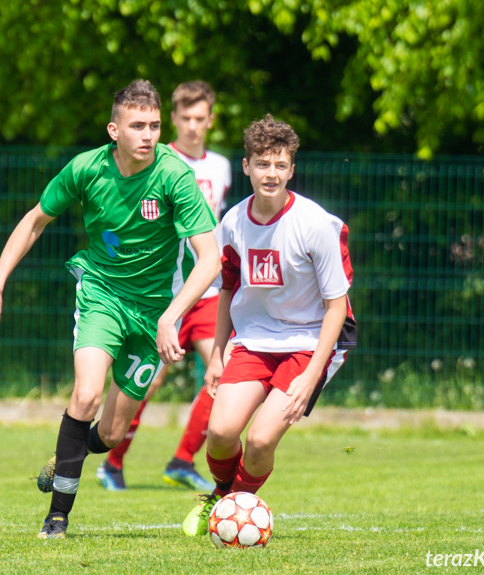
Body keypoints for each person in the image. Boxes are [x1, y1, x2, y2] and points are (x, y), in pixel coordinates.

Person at [0, 79, 220, 539]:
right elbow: (35, 221)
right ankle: (56, 517)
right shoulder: (86, 169)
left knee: (109, 434)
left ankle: (67, 453)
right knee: (85, 394)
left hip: (153, 314)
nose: (148, 135)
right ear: (114, 130)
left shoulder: (174, 176)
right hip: (101, 295)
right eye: (137, 126)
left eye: (154, 126)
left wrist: (171, 315)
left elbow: (209, 258)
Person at [181, 114, 357, 536]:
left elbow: (337, 308)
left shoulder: (317, 225)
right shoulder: (233, 223)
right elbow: (226, 290)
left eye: (280, 165)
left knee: (260, 440)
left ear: (291, 170)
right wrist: (218, 353)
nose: (271, 173)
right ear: (246, 167)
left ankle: (229, 511)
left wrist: (312, 375)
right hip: (255, 339)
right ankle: (227, 502)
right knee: (220, 432)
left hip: (311, 341)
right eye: (262, 164)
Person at [95, 81, 231, 493]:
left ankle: (181, 460)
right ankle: (112, 462)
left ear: (210, 120)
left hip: (205, 294)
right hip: (162, 293)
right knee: (147, 382)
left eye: (200, 118)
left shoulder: (222, 167)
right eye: (185, 118)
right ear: (173, 119)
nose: (193, 126)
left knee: (220, 375)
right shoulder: (157, 159)